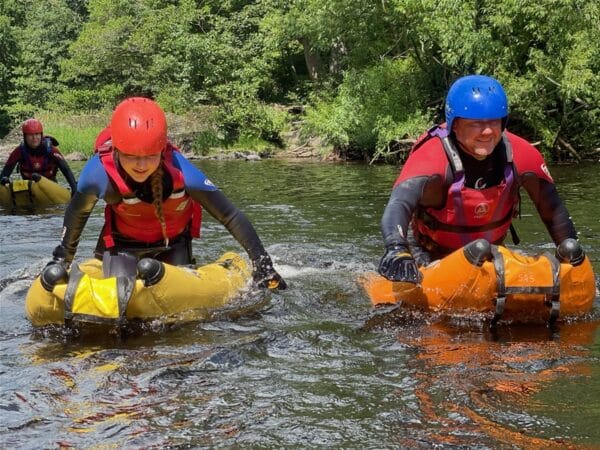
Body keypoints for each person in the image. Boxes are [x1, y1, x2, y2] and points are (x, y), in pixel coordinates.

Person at [45, 97, 286, 290]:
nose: (141, 165)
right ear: (117, 150)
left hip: (173, 245)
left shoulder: (183, 173)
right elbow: (77, 216)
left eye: (150, 156)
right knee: (118, 299)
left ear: (162, 150)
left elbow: (230, 215)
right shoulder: (97, 174)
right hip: (121, 246)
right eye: (131, 156)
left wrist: (262, 263)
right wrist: (61, 260)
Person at [378, 74, 582, 283]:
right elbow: (398, 205)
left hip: (488, 251)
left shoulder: (522, 155)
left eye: (494, 122)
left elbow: (554, 210)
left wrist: (574, 260)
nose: (487, 131)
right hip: (428, 254)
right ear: (455, 125)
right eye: (476, 123)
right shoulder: (431, 159)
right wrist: (397, 250)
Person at [0, 118, 78, 193]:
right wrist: (3, 183)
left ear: (41, 135)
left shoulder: (51, 150)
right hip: (28, 187)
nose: (34, 138)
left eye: (37, 134)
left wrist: (74, 188)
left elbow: (66, 170)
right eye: (30, 135)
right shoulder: (19, 151)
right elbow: (6, 171)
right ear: (25, 136)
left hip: (50, 186)